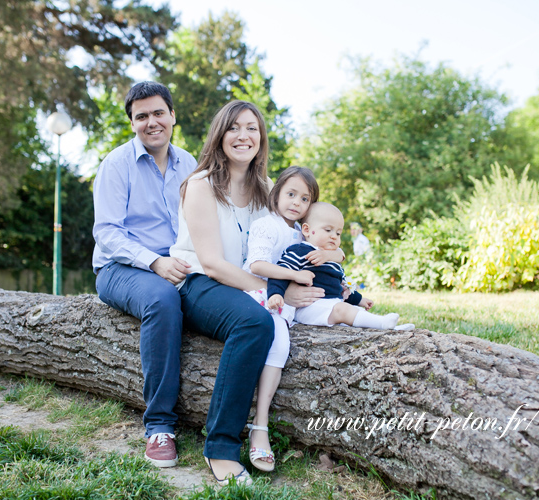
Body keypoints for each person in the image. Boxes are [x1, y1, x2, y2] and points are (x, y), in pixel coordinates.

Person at [171, 100, 312, 486]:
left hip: (252, 286)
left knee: (277, 315)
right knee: (254, 323)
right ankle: (220, 446)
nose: (243, 135)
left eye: (251, 128)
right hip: (201, 284)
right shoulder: (199, 185)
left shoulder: (268, 190)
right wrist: (275, 292)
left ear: (261, 138)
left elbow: (293, 243)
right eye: (233, 127)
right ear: (220, 135)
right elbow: (213, 263)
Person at [92, 81, 196, 468]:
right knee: (162, 299)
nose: (151, 122)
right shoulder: (116, 164)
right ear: (132, 123)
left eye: (157, 113)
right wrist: (154, 262)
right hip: (119, 267)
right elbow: (107, 232)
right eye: (141, 117)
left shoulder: (191, 164)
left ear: (172, 116)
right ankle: (159, 426)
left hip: (178, 263)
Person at [240, 166, 344, 472]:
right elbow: (256, 264)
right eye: (290, 194)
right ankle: (259, 426)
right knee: (279, 345)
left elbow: (334, 248)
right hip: (262, 298)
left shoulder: (301, 232)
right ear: (276, 193)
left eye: (304, 198)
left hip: (293, 305)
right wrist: (292, 276)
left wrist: (333, 256)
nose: (296, 202)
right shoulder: (266, 226)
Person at [268, 202, 416, 331]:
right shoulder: (300, 251)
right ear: (306, 230)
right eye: (328, 230)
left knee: (353, 311)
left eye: (338, 233)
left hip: (333, 304)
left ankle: (392, 329)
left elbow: (342, 286)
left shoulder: (333, 260)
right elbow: (282, 273)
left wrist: (360, 300)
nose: (334, 236)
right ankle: (383, 323)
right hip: (309, 307)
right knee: (343, 310)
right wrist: (276, 294)